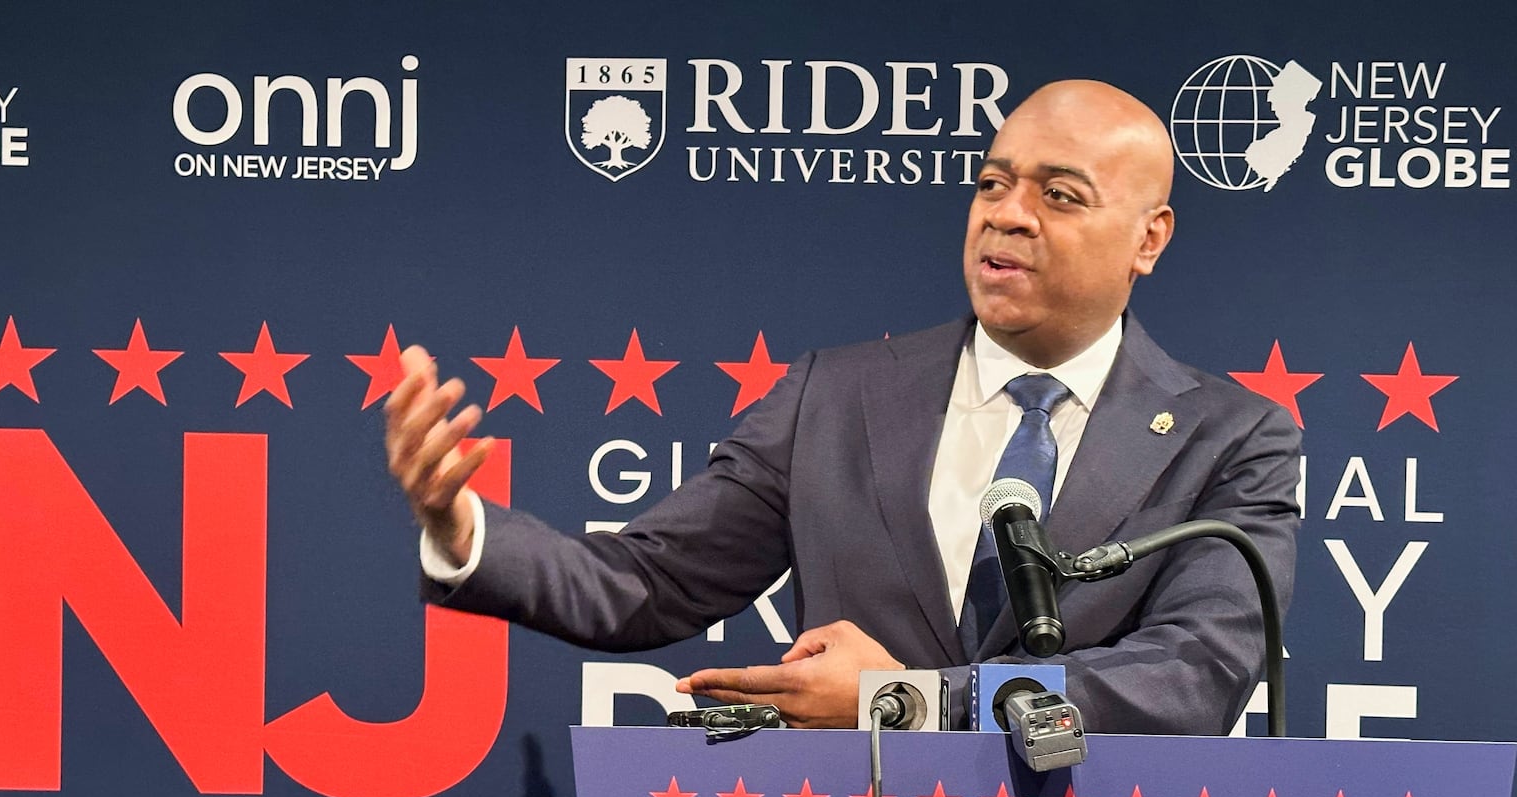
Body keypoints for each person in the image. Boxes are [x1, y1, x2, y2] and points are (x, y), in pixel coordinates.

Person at [384, 80, 1301, 734]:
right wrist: (462, 524)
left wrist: (908, 701)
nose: (1008, 214)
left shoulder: (1231, 438)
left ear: (1149, 238)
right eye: (992, 182)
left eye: (1060, 196)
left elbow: (1193, 678)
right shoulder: (837, 395)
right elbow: (646, 583)